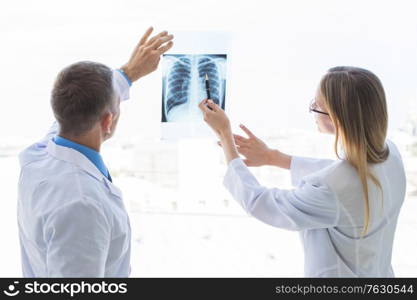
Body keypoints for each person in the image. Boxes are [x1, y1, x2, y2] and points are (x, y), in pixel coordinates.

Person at [199, 66, 406, 277]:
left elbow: (262, 203)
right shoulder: (391, 155)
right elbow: (343, 176)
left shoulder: (332, 189)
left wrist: (225, 135)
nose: (312, 110)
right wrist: (274, 157)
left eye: (317, 105)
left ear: (336, 117)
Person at [17, 27, 173, 277]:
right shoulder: (82, 205)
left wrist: (129, 73)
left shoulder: (35, 157)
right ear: (108, 121)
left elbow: (75, 110)